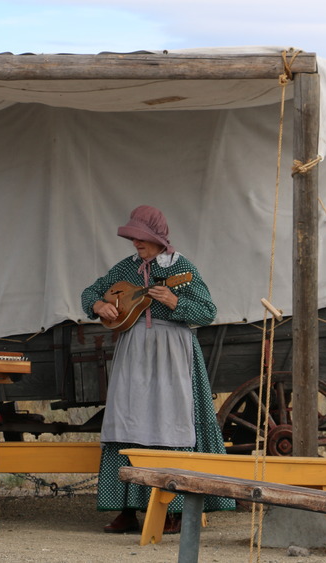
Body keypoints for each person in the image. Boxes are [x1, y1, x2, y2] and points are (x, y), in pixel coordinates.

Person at [81, 205, 234, 534]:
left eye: (142, 239)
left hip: (171, 353)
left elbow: (207, 311)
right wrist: (99, 305)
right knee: (128, 420)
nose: (136, 244)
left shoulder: (183, 269)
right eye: (133, 238)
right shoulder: (127, 269)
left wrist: (175, 302)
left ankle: (174, 510)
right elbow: (90, 292)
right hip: (133, 351)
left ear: (158, 239)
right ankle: (126, 508)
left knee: (169, 421)